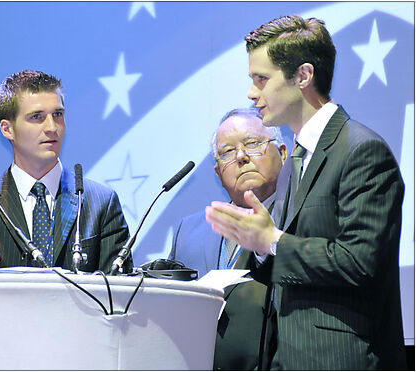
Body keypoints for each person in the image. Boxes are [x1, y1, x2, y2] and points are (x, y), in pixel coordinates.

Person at [205, 15, 406, 370]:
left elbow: (360, 263)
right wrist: (260, 248)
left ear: (303, 76)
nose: (252, 93)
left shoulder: (361, 150)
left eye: (261, 79)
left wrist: (272, 242)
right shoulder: (297, 159)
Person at [0, 70, 132, 272]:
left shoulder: (100, 202)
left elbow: (119, 293)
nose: (52, 127)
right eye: (37, 117)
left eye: (58, 114)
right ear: (7, 129)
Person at [169, 108, 287, 370]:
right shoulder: (188, 231)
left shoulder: (298, 220)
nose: (242, 157)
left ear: (282, 153)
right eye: (227, 152)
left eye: (253, 144)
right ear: (218, 172)